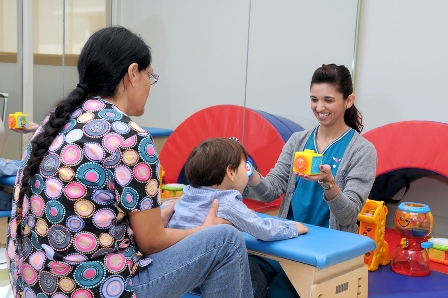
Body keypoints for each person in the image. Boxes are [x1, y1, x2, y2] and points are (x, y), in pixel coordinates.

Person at [6, 26, 254, 298]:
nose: (150, 85)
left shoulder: (55, 122)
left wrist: (156, 218)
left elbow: (87, 214)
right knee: (226, 241)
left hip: (38, 284)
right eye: (151, 76)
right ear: (133, 73)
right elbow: (152, 243)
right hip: (97, 288)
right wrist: (204, 230)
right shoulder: (129, 137)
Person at [247, 64, 378, 297]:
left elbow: (348, 216)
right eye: (314, 99)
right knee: (240, 271)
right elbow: (271, 190)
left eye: (328, 100)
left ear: (348, 101)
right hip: (287, 243)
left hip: (325, 249)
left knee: (279, 292)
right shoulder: (298, 141)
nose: (319, 107)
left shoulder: (362, 151)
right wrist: (248, 170)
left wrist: (329, 183)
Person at [168, 137, 308, 240]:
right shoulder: (227, 202)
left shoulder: (188, 193)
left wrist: (242, 213)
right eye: (244, 166)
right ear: (231, 173)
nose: (248, 172)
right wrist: (292, 228)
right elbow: (264, 230)